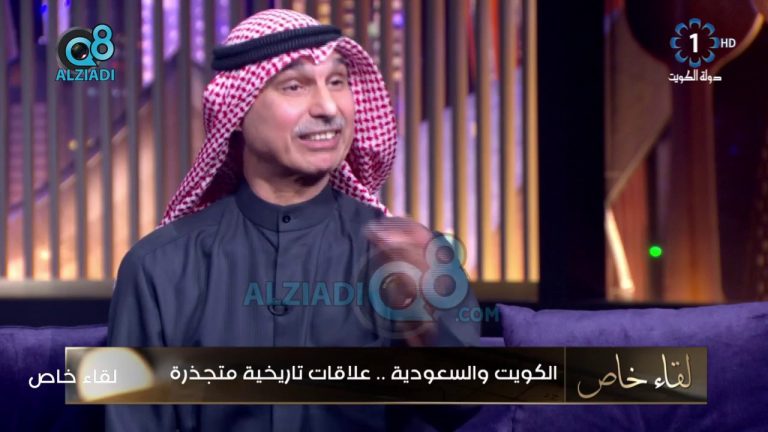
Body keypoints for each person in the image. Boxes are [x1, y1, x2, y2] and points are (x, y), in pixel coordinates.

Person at [107, 9, 479, 431]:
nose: (327, 107)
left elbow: (461, 407)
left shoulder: (406, 255)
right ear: (236, 110)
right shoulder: (158, 267)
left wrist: (423, 318)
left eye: (337, 81)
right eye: (295, 86)